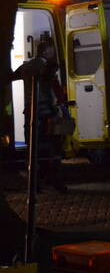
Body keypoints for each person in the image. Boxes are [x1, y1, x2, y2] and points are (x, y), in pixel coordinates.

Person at [11, 38, 69, 193]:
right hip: (47, 114)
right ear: (45, 51)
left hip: (30, 112)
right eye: (52, 50)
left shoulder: (26, 67)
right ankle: (56, 182)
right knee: (54, 149)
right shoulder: (49, 67)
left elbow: (12, 76)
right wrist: (64, 110)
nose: (54, 53)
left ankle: (35, 185)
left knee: (33, 150)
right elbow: (56, 90)